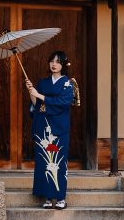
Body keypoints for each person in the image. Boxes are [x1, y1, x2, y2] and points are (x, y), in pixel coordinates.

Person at [26, 50, 74, 210]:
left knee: (58, 162)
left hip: (59, 128)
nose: (54, 64)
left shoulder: (67, 83)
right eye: (52, 61)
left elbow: (64, 102)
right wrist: (31, 91)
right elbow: (37, 106)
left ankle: (60, 198)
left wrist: (41, 96)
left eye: (58, 62)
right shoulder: (43, 82)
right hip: (44, 128)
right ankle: (47, 197)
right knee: (43, 162)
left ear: (63, 65)